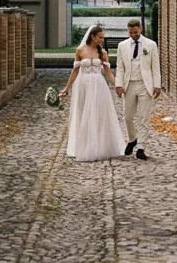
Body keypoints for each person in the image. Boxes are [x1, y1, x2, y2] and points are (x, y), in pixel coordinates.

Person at [57, 24, 128, 161]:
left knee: (98, 114)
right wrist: (67, 88)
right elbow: (75, 71)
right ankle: (84, 146)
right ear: (92, 36)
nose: (102, 40)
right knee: (84, 114)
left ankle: (100, 146)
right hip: (83, 85)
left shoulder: (103, 53)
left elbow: (108, 73)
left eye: (103, 38)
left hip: (99, 85)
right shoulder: (80, 51)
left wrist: (119, 85)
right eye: (100, 37)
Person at [114, 18, 161, 160]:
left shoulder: (151, 45)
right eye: (130, 32)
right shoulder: (122, 46)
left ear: (140, 29)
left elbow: (155, 66)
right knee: (127, 117)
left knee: (143, 117)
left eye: (135, 32)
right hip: (129, 84)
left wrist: (157, 85)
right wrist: (118, 84)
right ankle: (132, 138)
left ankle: (141, 147)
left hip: (145, 84)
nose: (133, 34)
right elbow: (120, 67)